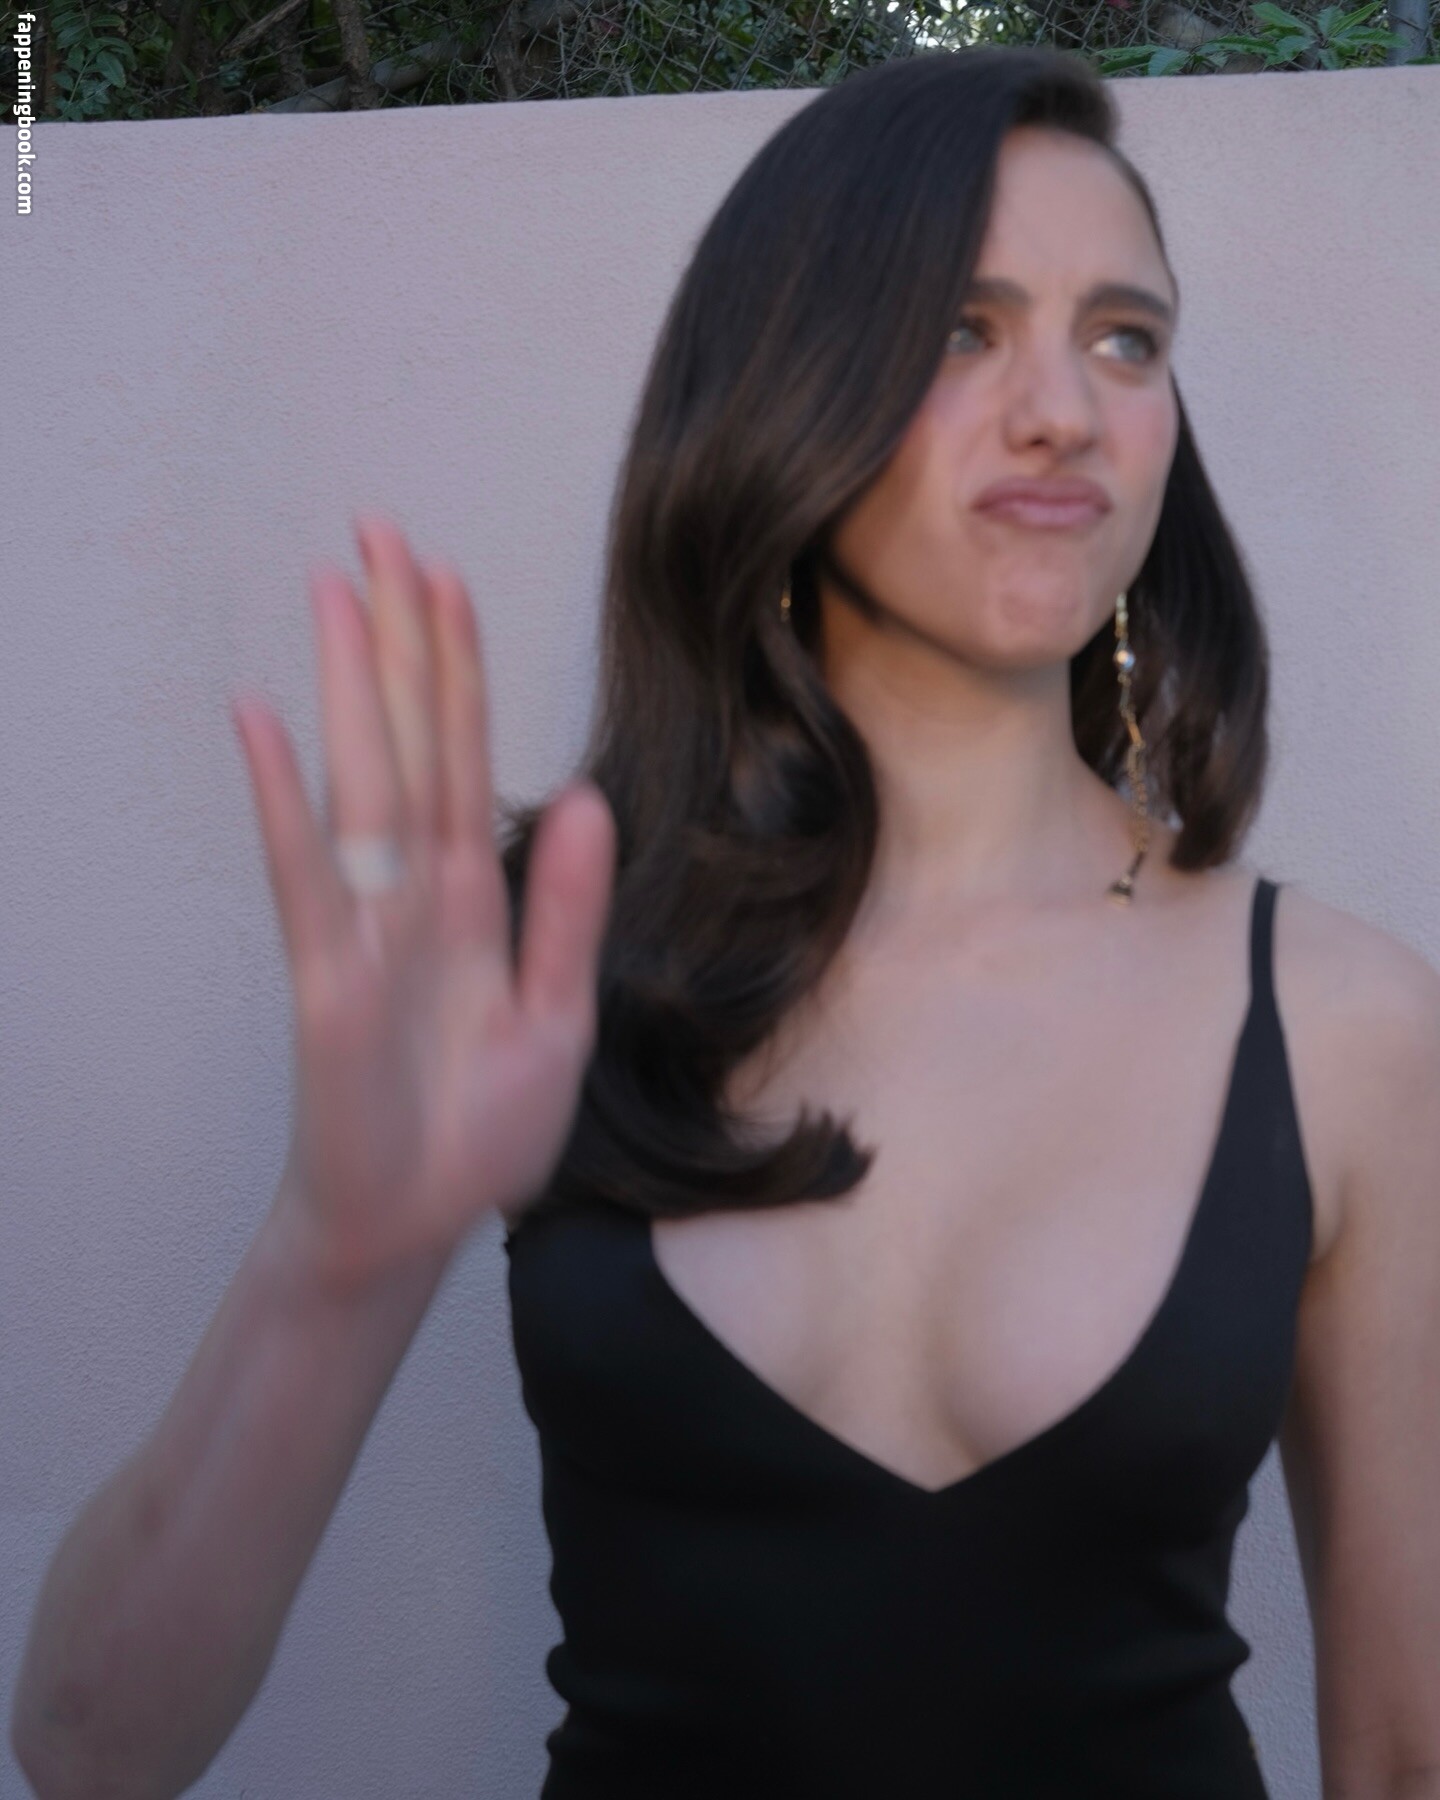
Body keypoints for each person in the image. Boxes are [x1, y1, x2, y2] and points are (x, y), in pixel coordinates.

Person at [12, 42, 1440, 1800]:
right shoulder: (537, 968)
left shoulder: (1349, 1030)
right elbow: (85, 1748)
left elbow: (1406, 1756)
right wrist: (336, 1247)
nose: (1065, 409)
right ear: (787, 391)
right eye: (962, 326)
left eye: (1126, 338)